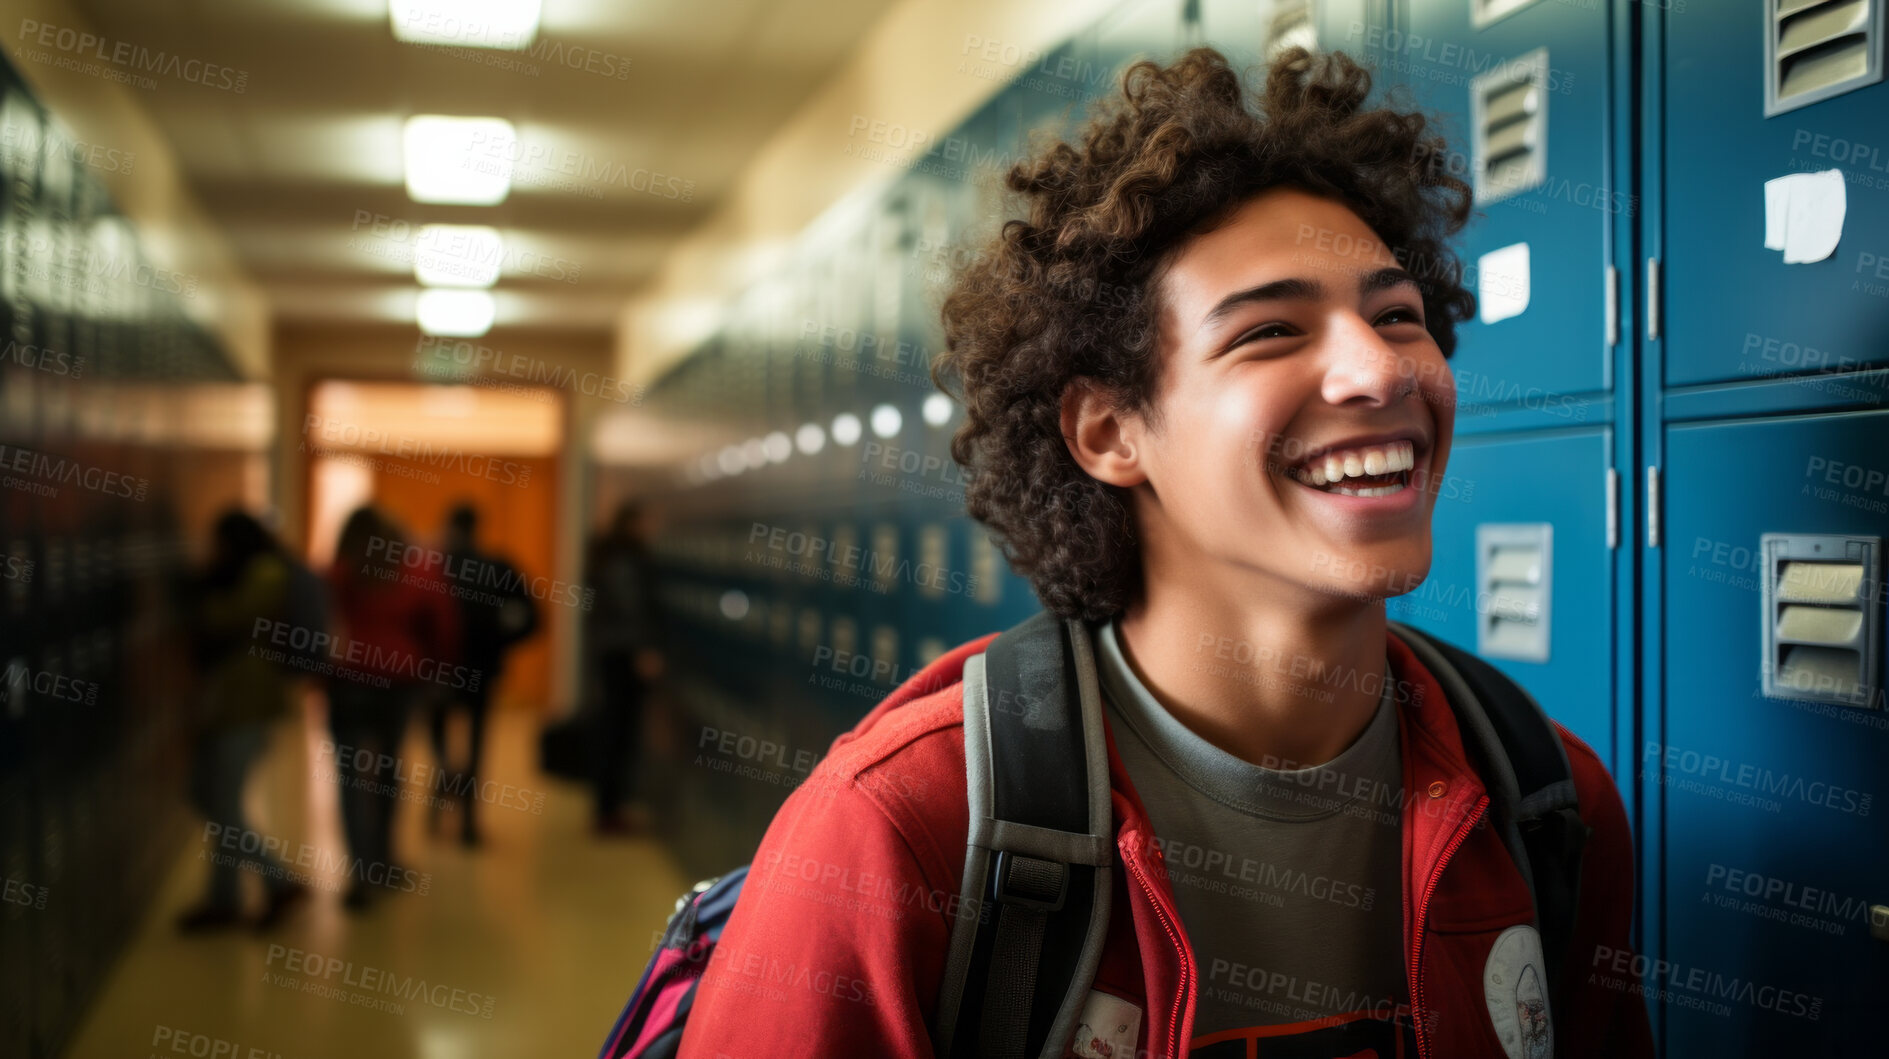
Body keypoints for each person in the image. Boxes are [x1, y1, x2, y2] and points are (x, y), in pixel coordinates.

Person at [676, 48, 1654, 1057]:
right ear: (1107, 433)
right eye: (1270, 331)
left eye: (1394, 315)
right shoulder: (898, 832)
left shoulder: (1543, 801)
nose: (1376, 369)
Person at [176, 510, 310, 932]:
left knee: (223, 805)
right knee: (209, 797)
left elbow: (230, 617)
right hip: (223, 704)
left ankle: (275, 882)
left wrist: (200, 591)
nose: (211, 551)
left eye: (217, 543)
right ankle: (226, 899)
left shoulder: (267, 572)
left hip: (247, 705)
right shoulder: (245, 571)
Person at [326, 505, 460, 910]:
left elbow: (314, 624)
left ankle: (359, 872)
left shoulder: (339, 574)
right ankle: (382, 863)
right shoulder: (417, 574)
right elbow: (444, 627)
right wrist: (438, 672)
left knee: (349, 775)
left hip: (347, 679)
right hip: (399, 683)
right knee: (388, 770)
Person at [427, 502, 540, 847]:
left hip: (437, 668)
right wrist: (501, 642)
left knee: (438, 736)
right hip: (482, 668)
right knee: (477, 742)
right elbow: (532, 617)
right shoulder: (497, 566)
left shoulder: (434, 565)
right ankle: (468, 824)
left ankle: (443, 787)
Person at [584, 499, 663, 836]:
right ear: (631, 524)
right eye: (645, 522)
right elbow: (631, 608)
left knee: (613, 729)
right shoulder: (624, 562)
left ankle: (608, 807)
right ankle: (609, 810)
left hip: (610, 653)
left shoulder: (607, 555)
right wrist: (644, 649)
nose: (651, 529)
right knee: (620, 731)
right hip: (624, 656)